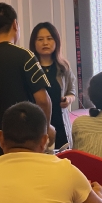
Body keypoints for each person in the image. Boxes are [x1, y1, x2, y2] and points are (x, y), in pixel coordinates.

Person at [0, 3, 55, 160]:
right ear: (15, 25)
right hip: (28, 144)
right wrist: (45, 130)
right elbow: (43, 101)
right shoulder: (25, 57)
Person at [29, 22, 77, 150]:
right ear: (34, 43)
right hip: (36, 124)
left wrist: (68, 99)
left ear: (56, 41)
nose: (45, 43)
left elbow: (72, 92)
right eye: (40, 39)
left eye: (49, 38)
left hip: (60, 123)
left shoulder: (63, 66)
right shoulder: (29, 68)